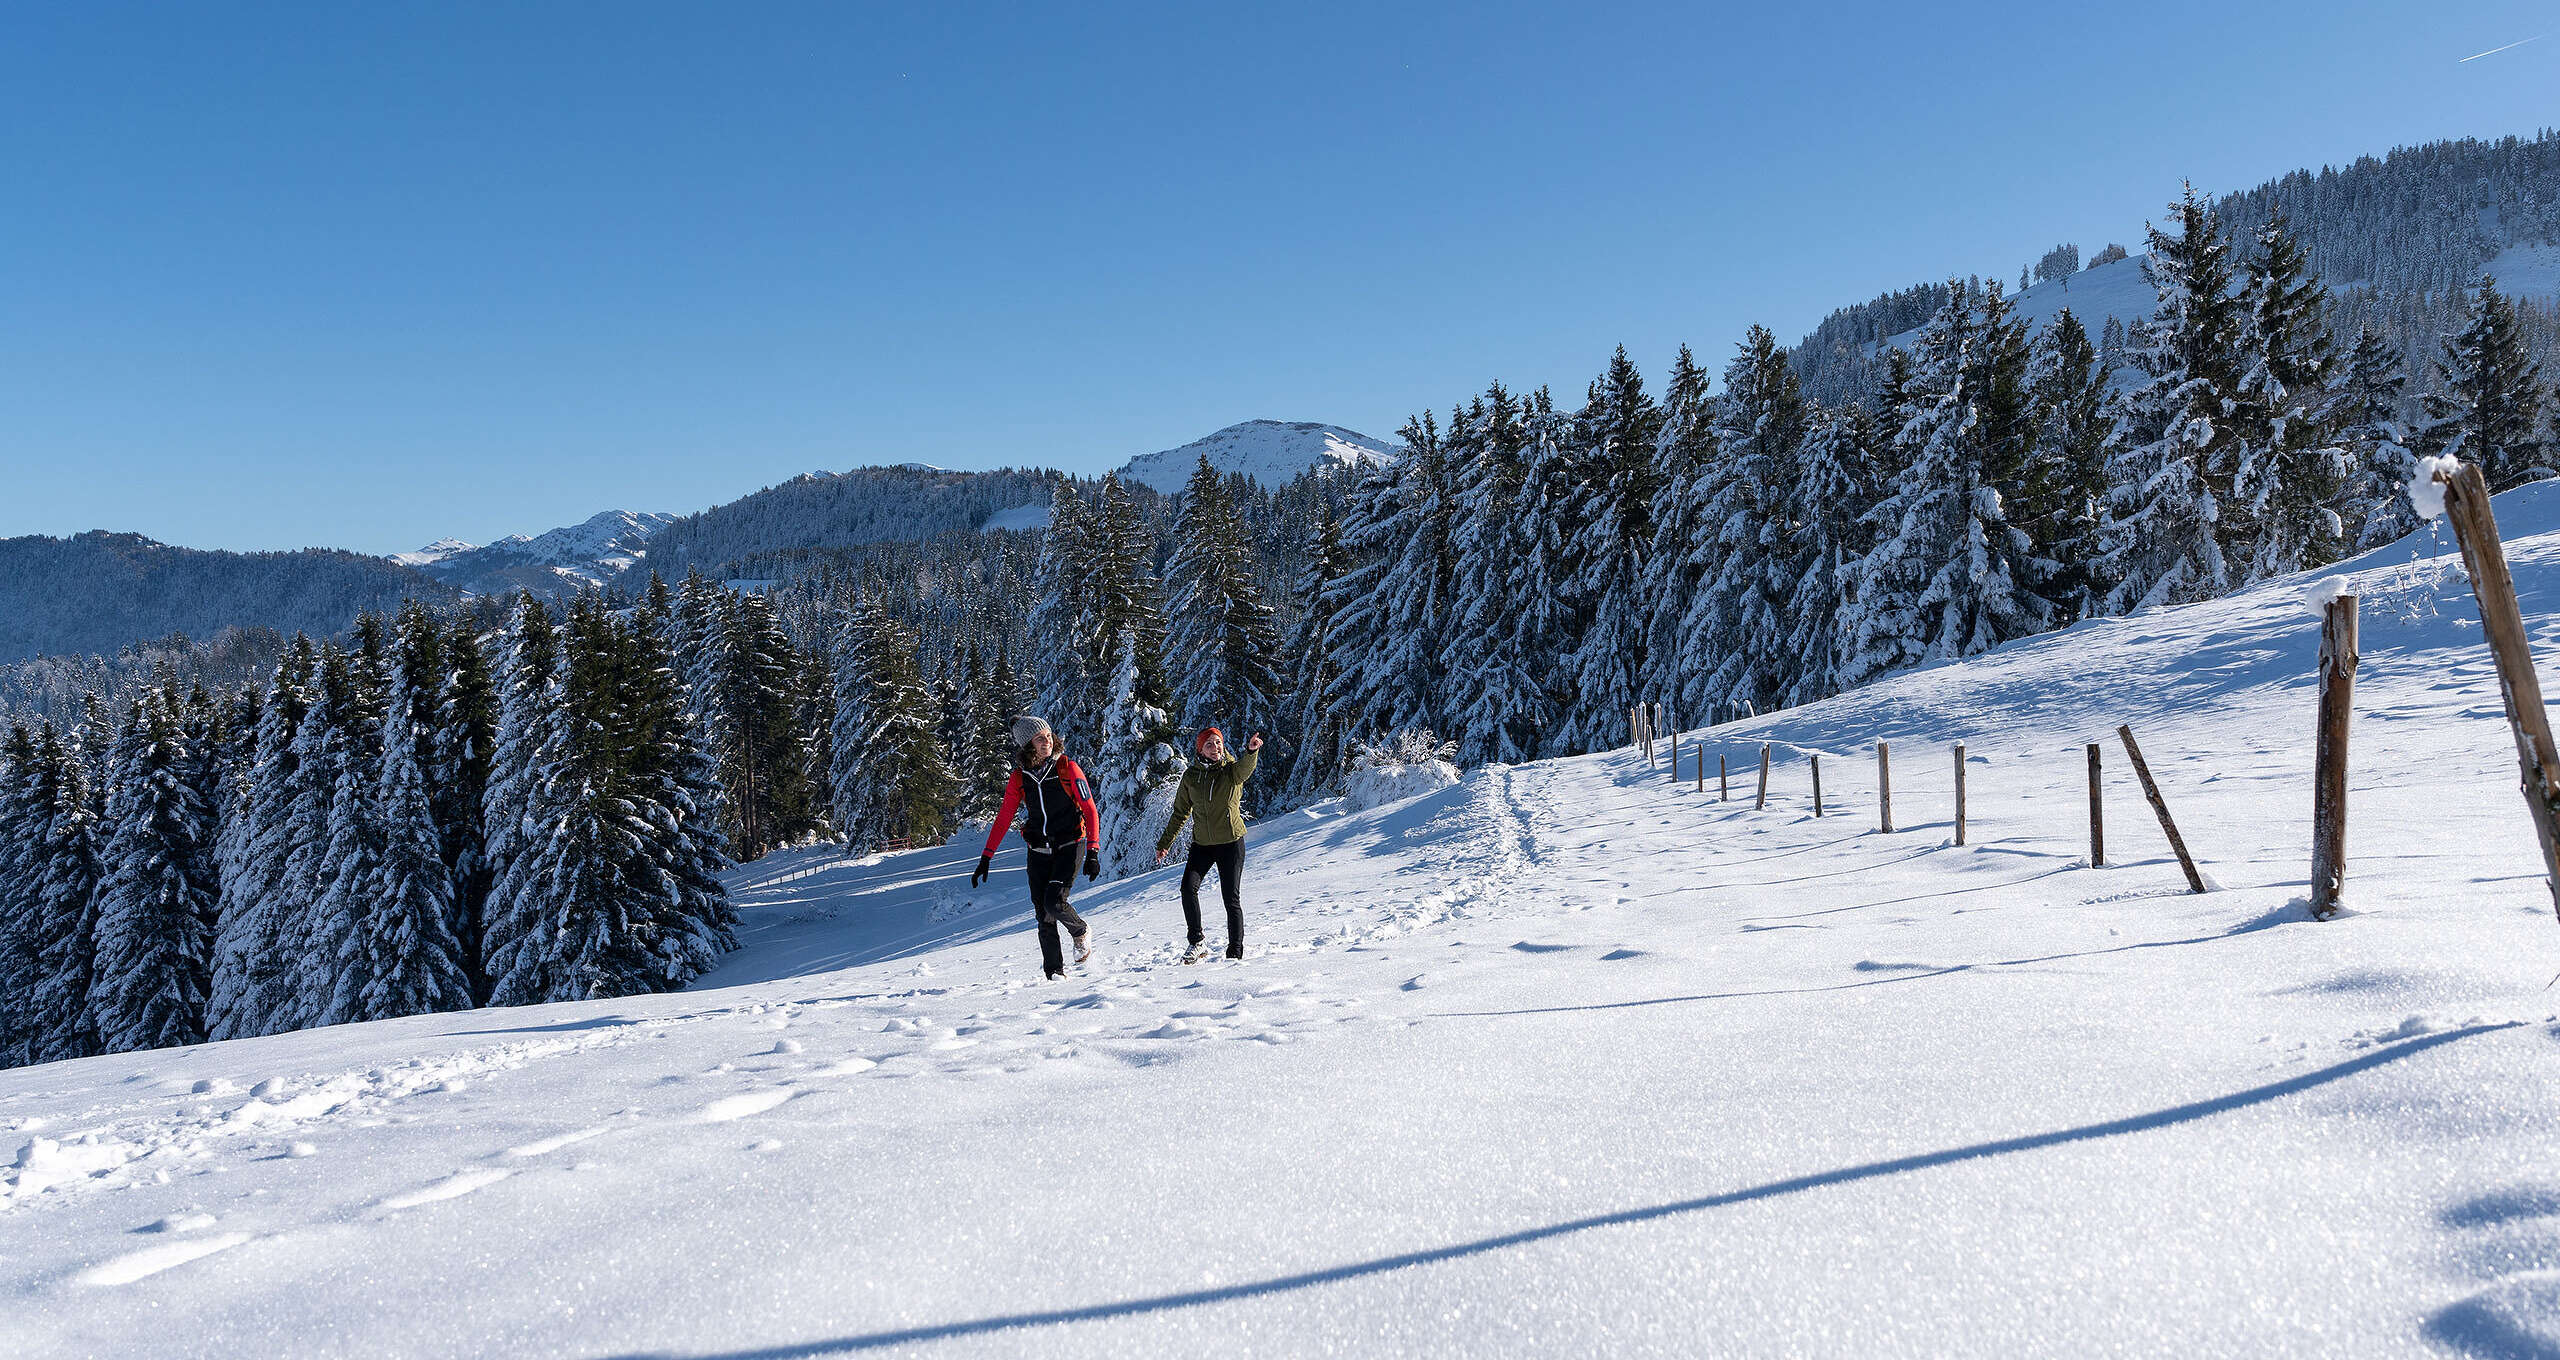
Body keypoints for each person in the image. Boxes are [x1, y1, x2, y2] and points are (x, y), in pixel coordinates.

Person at [972, 716, 1102, 979]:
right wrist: (986, 857)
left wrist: (1093, 850)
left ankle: (1080, 931)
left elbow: (1089, 809)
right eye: (1040, 738)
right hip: (1038, 851)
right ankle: (1055, 975)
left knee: (1054, 902)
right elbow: (1004, 817)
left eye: (1049, 735)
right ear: (1028, 745)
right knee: (1043, 915)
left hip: (1070, 845)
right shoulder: (1020, 778)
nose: (1048, 741)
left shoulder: (1068, 768)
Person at [1154, 726, 1262, 962]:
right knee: (1187, 888)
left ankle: (1235, 952)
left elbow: (1244, 770)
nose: (1216, 748)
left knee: (1230, 898)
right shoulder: (1191, 776)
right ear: (1200, 749)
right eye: (1210, 744)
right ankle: (1197, 942)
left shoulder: (1231, 771)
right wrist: (1165, 843)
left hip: (1231, 843)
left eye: (1218, 743)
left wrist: (1251, 752)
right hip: (1202, 844)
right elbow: (1180, 812)